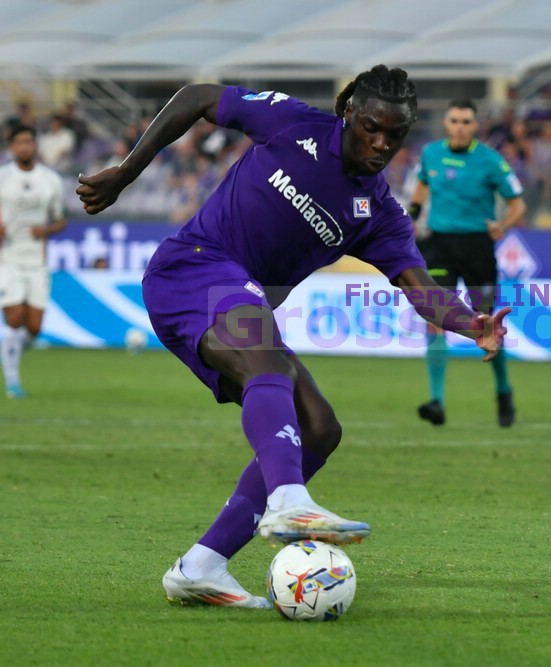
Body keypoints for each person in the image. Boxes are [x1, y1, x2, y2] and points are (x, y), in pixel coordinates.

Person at [76, 66, 509, 609]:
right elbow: (198, 96)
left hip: (238, 298)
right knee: (268, 360)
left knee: (319, 428)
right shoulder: (291, 122)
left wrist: (471, 322)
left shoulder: (379, 214)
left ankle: (201, 566)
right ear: (348, 113)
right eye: (371, 128)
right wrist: (127, 172)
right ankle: (287, 500)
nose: (381, 144)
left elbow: (421, 289)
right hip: (191, 269)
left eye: (394, 135)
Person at [408, 98, 526, 428]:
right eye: (455, 121)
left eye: (466, 122)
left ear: (475, 126)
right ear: (447, 123)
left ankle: (503, 390)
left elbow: (517, 204)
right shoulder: (430, 154)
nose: (460, 127)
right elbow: (421, 188)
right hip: (439, 246)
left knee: (487, 325)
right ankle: (437, 401)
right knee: (434, 318)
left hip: (477, 248)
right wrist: (411, 218)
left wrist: (502, 226)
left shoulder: (490, 160)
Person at [0, 124, 67, 398]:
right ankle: (12, 380)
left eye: (29, 141)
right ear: (11, 147)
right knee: (14, 319)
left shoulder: (50, 180)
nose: (25, 147)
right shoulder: (3, 177)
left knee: (34, 328)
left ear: (35, 145)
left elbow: (61, 219)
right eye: (19, 142)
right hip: (8, 259)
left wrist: (46, 230)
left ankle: (10, 351)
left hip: (37, 261)